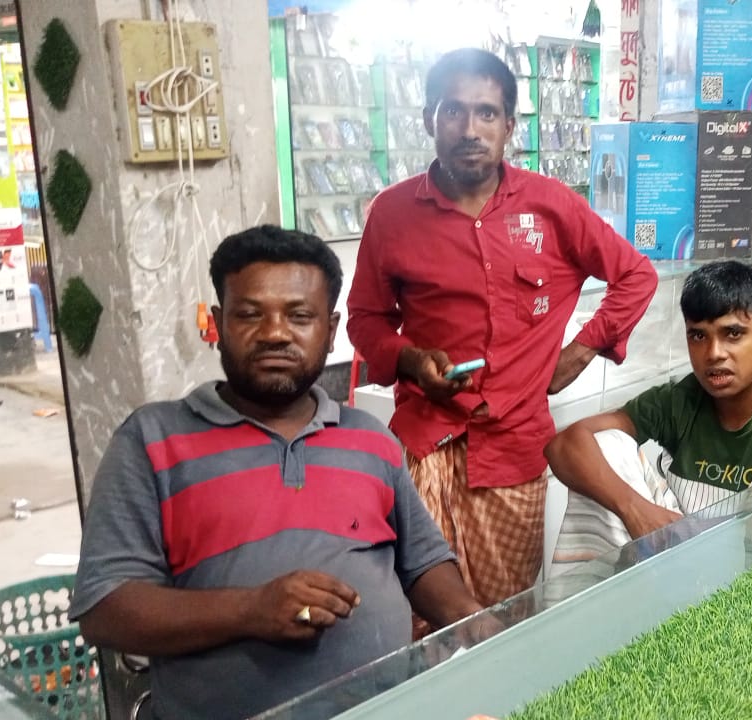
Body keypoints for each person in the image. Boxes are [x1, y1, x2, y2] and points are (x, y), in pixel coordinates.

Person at [71, 226, 484, 720]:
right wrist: (251, 610)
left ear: (330, 331)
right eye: (250, 314)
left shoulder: (371, 438)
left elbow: (423, 564)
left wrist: (473, 619)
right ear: (219, 324)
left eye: (299, 316)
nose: (274, 333)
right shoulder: (152, 440)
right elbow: (105, 608)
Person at [347, 48, 658, 611]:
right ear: (429, 119)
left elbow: (636, 275)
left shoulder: (551, 205)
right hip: (425, 445)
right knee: (416, 616)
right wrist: (411, 359)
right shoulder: (391, 213)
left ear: (509, 126)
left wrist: (582, 349)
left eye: (487, 113)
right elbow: (365, 319)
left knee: (503, 615)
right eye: (453, 111)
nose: (470, 129)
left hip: (513, 453)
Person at [545, 261, 752, 569]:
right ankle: (594, 595)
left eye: (733, 333)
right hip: (677, 559)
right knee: (607, 446)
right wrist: (635, 510)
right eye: (699, 336)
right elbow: (563, 445)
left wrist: (713, 531)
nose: (714, 353)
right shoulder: (677, 400)